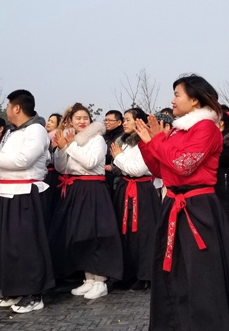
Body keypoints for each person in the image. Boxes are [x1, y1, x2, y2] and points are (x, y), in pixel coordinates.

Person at [137, 75, 229, 331]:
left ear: (194, 100)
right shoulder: (177, 130)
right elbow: (160, 170)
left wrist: (156, 142)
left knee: (201, 273)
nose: (172, 100)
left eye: (177, 94)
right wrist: (147, 144)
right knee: (175, 272)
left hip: (198, 207)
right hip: (173, 204)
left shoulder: (206, 128)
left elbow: (184, 164)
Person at [0, 90, 54, 314]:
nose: (7, 110)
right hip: (7, 192)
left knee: (27, 245)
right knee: (8, 245)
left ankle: (34, 293)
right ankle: (14, 288)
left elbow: (23, 160)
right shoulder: (12, 132)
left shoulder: (36, 130)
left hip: (25, 193)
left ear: (17, 108)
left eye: (9, 106)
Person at [51, 103, 123, 300]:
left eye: (85, 118)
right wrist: (61, 149)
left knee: (95, 234)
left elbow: (90, 162)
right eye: (78, 118)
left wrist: (70, 146)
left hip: (93, 189)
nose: (82, 121)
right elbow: (61, 167)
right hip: (75, 188)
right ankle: (89, 278)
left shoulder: (97, 139)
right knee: (80, 235)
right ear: (70, 121)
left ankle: (100, 280)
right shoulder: (70, 139)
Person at [110, 108, 160, 291]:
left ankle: (145, 275)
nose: (124, 123)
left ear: (139, 121)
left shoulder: (144, 142)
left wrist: (118, 158)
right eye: (124, 119)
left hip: (142, 190)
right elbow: (121, 168)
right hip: (125, 187)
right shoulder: (124, 143)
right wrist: (120, 159)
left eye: (128, 119)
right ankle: (127, 273)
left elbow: (137, 169)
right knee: (126, 232)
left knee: (143, 234)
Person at [103, 110, 124, 194]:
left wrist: (112, 167)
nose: (107, 122)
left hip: (116, 178)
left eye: (110, 120)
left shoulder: (122, 138)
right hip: (103, 174)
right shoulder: (103, 136)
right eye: (105, 120)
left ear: (119, 122)